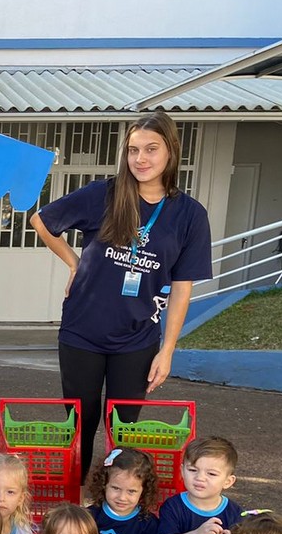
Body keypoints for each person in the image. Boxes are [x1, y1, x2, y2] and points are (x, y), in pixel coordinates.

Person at [29, 111, 214, 478]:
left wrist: (167, 350)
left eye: (151, 149)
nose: (140, 159)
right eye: (133, 150)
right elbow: (42, 221)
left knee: (124, 429)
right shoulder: (103, 194)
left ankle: (115, 500)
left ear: (171, 151)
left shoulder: (190, 215)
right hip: (82, 331)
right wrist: (74, 262)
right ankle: (76, 498)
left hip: (137, 338)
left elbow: (182, 287)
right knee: (80, 424)